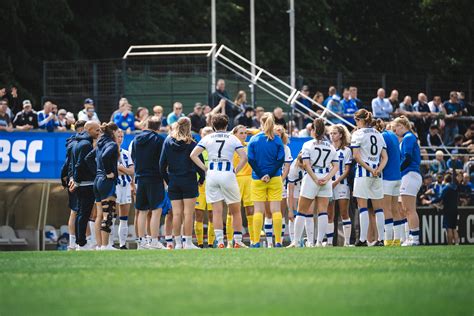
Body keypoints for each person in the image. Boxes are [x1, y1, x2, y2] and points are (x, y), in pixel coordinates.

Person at [190, 114, 248, 248]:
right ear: (227, 125)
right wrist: (236, 170)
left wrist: (205, 168)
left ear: (213, 125)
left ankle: (220, 241)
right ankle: (237, 241)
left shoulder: (207, 137)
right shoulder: (232, 138)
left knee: (216, 211)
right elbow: (244, 157)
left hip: (212, 174)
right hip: (227, 173)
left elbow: (193, 155)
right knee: (235, 210)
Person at [287, 118, 339, 248]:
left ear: (314, 130)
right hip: (326, 177)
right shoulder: (330, 146)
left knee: (301, 211)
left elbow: (306, 164)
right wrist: (327, 178)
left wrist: (315, 178)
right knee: (323, 212)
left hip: (312, 177)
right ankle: (319, 242)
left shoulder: (308, 144)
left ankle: (296, 241)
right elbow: (336, 166)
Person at [160, 117, 205, 249]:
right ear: (189, 127)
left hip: (174, 181)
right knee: (188, 213)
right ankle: (188, 242)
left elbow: (161, 166)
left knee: (177, 213)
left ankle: (178, 243)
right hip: (189, 180)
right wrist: (201, 179)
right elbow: (199, 164)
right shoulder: (191, 143)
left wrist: (169, 181)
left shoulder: (167, 141)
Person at [247, 113, 285, 248]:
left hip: (258, 179)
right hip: (275, 178)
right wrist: (269, 174)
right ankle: (279, 241)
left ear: (260, 122)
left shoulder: (254, 139)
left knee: (258, 211)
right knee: (276, 210)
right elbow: (280, 160)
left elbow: (250, 159)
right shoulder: (277, 139)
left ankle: (256, 242)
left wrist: (262, 174)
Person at [351, 109, 388, 246]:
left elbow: (356, 156)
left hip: (363, 173)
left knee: (363, 207)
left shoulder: (358, 134)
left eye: (356, 120)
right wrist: (378, 169)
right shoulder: (379, 134)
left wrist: (370, 169)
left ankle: (362, 240)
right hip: (377, 174)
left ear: (360, 120)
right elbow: (385, 157)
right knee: (379, 208)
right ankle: (381, 239)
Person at [131, 117, 166, 250]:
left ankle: (141, 242)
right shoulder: (160, 139)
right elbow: (163, 161)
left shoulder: (136, 139)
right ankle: (154, 241)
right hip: (155, 178)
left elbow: (133, 157)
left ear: (147, 124)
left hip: (140, 177)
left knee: (142, 211)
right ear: (159, 127)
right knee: (156, 210)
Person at [70, 121, 101, 250]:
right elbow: (79, 165)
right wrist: (76, 181)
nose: (99, 133)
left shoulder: (77, 142)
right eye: (97, 130)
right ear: (89, 129)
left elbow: (73, 164)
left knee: (82, 213)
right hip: (85, 184)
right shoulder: (85, 144)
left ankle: (80, 242)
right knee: (84, 214)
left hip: (82, 183)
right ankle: (81, 243)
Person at [393, 116, 422, 246]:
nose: (395, 131)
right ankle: (410, 237)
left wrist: (397, 171)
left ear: (402, 126)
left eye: (396, 127)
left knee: (409, 209)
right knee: (405, 209)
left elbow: (408, 157)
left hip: (410, 174)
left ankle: (414, 238)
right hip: (408, 175)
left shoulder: (409, 137)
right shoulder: (406, 138)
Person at [93, 122, 120, 251]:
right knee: (108, 213)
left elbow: (88, 158)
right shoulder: (112, 144)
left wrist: (98, 172)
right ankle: (105, 245)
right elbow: (105, 156)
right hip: (106, 182)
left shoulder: (99, 144)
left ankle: (99, 245)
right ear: (113, 132)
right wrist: (108, 172)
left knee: (100, 214)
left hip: (97, 181)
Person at [60, 120, 86, 250]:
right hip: (76, 180)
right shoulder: (78, 144)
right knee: (78, 212)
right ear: (81, 129)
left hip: (72, 179)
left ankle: (72, 243)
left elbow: (66, 164)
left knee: (74, 212)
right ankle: (78, 242)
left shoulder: (71, 143)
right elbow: (71, 164)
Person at [229, 125, 256, 246]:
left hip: (249, 180)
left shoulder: (249, 145)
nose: (244, 135)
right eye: (241, 133)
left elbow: (261, 134)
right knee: (232, 210)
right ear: (234, 134)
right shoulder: (230, 146)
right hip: (235, 180)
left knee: (250, 210)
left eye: (246, 133)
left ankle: (253, 240)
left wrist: (251, 131)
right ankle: (230, 241)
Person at [327, 124, 352, 246]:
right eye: (331, 133)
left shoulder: (346, 150)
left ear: (341, 135)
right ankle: (330, 242)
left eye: (335, 133)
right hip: (328, 185)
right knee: (329, 215)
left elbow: (347, 170)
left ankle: (347, 242)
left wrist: (336, 182)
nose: (332, 135)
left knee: (344, 213)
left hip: (342, 185)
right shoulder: (328, 148)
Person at [378, 121, 402, 246]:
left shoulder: (382, 136)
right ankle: (397, 239)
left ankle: (387, 239)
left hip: (388, 177)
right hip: (398, 176)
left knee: (386, 208)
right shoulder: (393, 135)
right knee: (395, 209)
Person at [193, 127, 215, 248]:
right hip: (200, 186)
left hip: (213, 186)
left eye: (209, 134)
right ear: (201, 136)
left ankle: (211, 244)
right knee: (199, 215)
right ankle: (200, 243)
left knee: (213, 214)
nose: (207, 137)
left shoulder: (216, 150)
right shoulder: (197, 150)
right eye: (205, 134)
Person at [115, 129, 135, 249]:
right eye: (118, 136)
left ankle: (122, 244)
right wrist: (124, 170)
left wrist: (122, 169)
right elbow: (112, 170)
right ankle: (109, 243)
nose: (120, 138)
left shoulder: (126, 153)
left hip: (126, 186)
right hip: (114, 185)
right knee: (111, 215)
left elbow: (132, 171)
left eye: (122, 136)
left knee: (124, 217)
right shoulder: (109, 151)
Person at [428, 173, 459, 245]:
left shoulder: (446, 188)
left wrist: (430, 201)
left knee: (449, 228)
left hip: (448, 210)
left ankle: (450, 244)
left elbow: (439, 198)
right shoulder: (455, 187)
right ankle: (457, 244)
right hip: (455, 209)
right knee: (454, 228)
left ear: (445, 180)